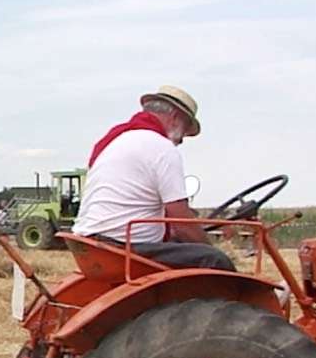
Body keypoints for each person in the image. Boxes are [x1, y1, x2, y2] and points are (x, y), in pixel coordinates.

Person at [72, 85, 235, 271]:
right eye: (185, 130)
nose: (182, 139)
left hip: (92, 244)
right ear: (175, 118)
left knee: (183, 244)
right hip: (122, 247)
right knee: (214, 260)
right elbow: (181, 222)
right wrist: (209, 247)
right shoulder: (162, 148)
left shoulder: (117, 141)